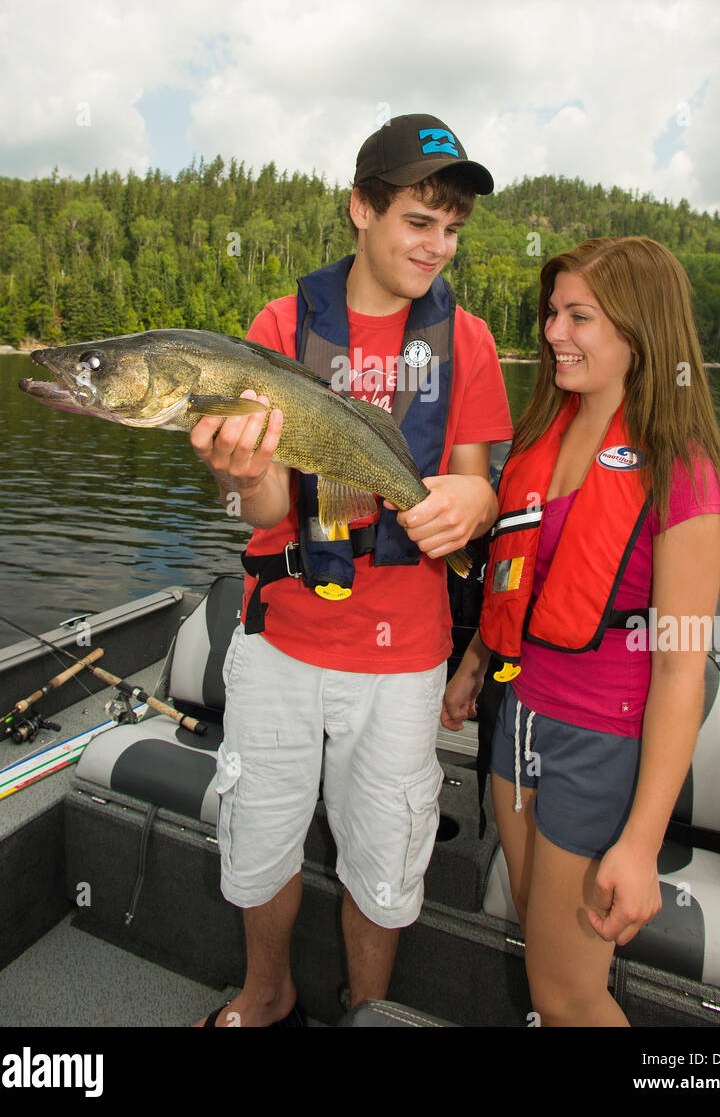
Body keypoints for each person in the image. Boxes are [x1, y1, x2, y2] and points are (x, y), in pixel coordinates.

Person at [190, 114, 513, 1026]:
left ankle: (368, 1008)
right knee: (259, 836)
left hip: (404, 657)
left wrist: (473, 506)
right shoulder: (281, 327)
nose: (438, 245)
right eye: (420, 220)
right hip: (283, 643)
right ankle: (267, 993)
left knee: (384, 853)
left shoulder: (472, 343)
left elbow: (479, 490)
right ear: (362, 209)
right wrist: (239, 475)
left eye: (453, 229)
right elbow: (257, 515)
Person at [443, 235, 720, 1027]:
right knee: (537, 914)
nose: (551, 332)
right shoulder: (541, 435)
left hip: (597, 745)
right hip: (516, 724)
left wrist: (639, 845)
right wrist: (475, 658)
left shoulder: (683, 472)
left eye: (579, 316)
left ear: (642, 333)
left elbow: (681, 675)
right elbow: (519, 579)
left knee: (568, 994)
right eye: (551, 313)